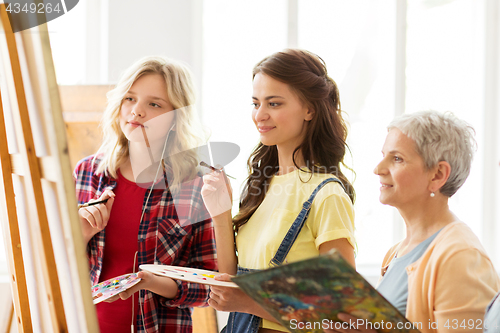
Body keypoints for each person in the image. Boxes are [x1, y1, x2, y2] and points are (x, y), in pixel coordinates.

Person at [201, 49, 357, 333]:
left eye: (273, 103)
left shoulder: (326, 194)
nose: (260, 114)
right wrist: (220, 213)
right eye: (255, 103)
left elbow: (342, 313)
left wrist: (248, 302)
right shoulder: (262, 184)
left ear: (309, 109)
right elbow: (232, 280)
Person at [73, 56, 217, 333]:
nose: (136, 111)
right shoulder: (87, 173)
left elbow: (208, 286)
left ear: (176, 117)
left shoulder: (197, 186)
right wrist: (80, 234)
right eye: (129, 98)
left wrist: (150, 282)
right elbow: (56, 269)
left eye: (154, 104)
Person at [327, 111, 500, 333]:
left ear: (438, 175)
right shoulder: (395, 254)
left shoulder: (461, 255)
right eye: (384, 155)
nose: (378, 169)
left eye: (397, 158)